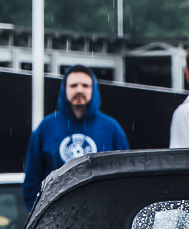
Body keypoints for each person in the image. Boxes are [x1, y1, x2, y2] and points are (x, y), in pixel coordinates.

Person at [23, 66, 129, 209]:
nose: (79, 90)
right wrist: (40, 214)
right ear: (64, 89)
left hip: (102, 214)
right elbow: (32, 181)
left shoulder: (111, 129)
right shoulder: (46, 127)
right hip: (56, 216)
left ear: (93, 89)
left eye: (85, 85)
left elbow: (124, 177)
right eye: (73, 85)